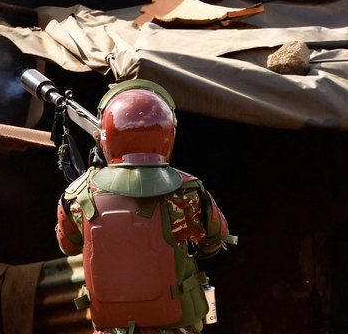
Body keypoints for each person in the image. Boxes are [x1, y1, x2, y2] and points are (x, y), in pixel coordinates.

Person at [55, 80, 235, 334]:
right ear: (167, 135)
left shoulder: (76, 194)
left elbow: (69, 245)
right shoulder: (188, 191)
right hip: (177, 326)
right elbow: (213, 242)